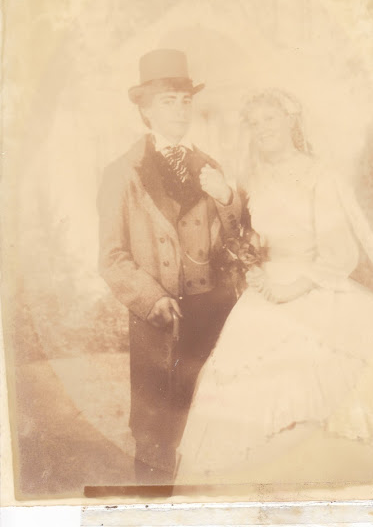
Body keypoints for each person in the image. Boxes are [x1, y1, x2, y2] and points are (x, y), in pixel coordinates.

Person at [175, 88, 373, 485]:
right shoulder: (253, 178)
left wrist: (291, 288)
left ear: (291, 120)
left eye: (270, 119)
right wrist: (249, 251)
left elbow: (340, 253)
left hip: (316, 286)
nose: (262, 129)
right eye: (254, 123)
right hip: (263, 293)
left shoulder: (319, 175)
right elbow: (243, 231)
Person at [97, 49, 241, 486]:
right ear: (145, 110)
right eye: (167, 101)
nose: (180, 110)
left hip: (213, 313)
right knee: (156, 430)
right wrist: (151, 298)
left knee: (211, 427)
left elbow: (237, 239)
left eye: (185, 100)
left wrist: (227, 199)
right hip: (160, 319)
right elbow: (112, 257)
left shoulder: (210, 166)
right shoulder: (122, 173)